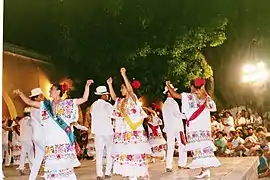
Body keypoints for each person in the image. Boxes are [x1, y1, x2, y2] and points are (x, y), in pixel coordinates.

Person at [13, 79, 94, 180]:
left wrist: (87, 86)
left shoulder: (67, 103)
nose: (49, 91)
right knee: (52, 164)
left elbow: (84, 99)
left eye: (52, 89)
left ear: (58, 92)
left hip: (62, 138)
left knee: (64, 164)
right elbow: (29, 102)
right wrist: (20, 93)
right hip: (51, 140)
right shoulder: (46, 105)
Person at [166, 78, 221, 179]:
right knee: (204, 149)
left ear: (193, 87)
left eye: (191, 86)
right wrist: (203, 90)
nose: (190, 88)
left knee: (198, 149)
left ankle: (205, 170)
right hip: (204, 128)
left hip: (195, 128)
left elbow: (174, 95)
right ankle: (205, 170)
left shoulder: (189, 96)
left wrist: (168, 85)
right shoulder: (206, 98)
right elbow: (213, 107)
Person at [107, 68, 151, 180]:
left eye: (122, 88)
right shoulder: (121, 101)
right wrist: (110, 85)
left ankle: (137, 173)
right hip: (125, 129)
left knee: (135, 150)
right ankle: (131, 174)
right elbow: (113, 98)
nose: (121, 90)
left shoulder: (133, 99)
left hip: (134, 129)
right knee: (126, 151)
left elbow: (131, 91)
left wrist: (124, 75)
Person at [90, 86, 114, 179]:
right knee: (109, 152)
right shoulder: (107, 105)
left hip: (98, 131)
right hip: (107, 131)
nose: (107, 96)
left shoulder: (93, 105)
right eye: (107, 95)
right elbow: (114, 115)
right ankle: (107, 172)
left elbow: (92, 115)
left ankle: (99, 174)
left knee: (99, 153)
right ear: (103, 95)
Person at [162, 84, 187, 172]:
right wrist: (187, 116)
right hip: (177, 127)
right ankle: (182, 163)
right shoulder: (172, 102)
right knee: (182, 145)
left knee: (170, 146)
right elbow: (176, 114)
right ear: (169, 92)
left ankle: (168, 165)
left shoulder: (165, 103)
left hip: (169, 128)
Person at [28, 88, 46, 180]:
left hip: (36, 136)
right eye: (41, 96)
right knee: (50, 154)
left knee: (38, 158)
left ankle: (32, 178)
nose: (43, 97)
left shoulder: (33, 108)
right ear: (36, 98)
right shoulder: (37, 108)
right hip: (40, 136)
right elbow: (43, 121)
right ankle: (49, 175)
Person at [18, 107, 34, 175]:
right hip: (29, 139)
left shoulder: (21, 121)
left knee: (23, 154)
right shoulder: (31, 120)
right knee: (31, 155)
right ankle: (32, 168)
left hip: (22, 139)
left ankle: (21, 167)